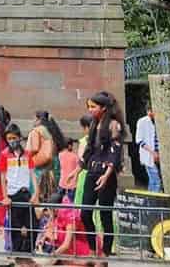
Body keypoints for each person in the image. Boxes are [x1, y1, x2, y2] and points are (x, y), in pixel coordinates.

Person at [80, 91, 125, 258]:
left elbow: (115, 152)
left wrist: (106, 175)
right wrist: (77, 170)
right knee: (85, 212)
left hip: (107, 174)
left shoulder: (114, 125)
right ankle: (92, 250)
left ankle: (105, 253)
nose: (90, 110)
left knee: (105, 213)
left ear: (104, 108)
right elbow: (89, 150)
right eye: (89, 107)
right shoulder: (93, 124)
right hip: (92, 171)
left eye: (93, 106)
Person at [0, 123, 36, 254]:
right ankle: (17, 254)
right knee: (16, 226)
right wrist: (5, 196)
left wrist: (35, 194)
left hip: (26, 193)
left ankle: (28, 253)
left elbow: (32, 174)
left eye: (14, 138)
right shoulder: (4, 155)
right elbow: (2, 177)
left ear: (19, 137)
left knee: (32, 225)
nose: (12, 141)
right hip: (12, 194)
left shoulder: (27, 154)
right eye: (9, 139)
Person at [41, 192, 92, 265]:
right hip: (72, 248)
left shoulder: (69, 218)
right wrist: (43, 238)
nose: (48, 212)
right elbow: (50, 225)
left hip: (82, 249)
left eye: (49, 209)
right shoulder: (57, 214)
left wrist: (51, 257)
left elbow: (66, 244)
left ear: (54, 209)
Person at [28, 111, 67, 204]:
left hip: (40, 170)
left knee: (37, 200)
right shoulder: (53, 131)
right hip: (53, 171)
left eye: (34, 119)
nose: (33, 121)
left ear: (38, 119)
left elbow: (33, 149)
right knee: (51, 200)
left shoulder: (36, 131)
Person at [135, 104, 161, 193]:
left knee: (153, 180)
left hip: (159, 155)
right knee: (156, 180)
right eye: (150, 111)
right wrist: (153, 153)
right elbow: (139, 140)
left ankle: (150, 201)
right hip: (149, 155)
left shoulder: (159, 122)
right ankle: (153, 204)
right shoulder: (142, 121)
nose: (152, 113)